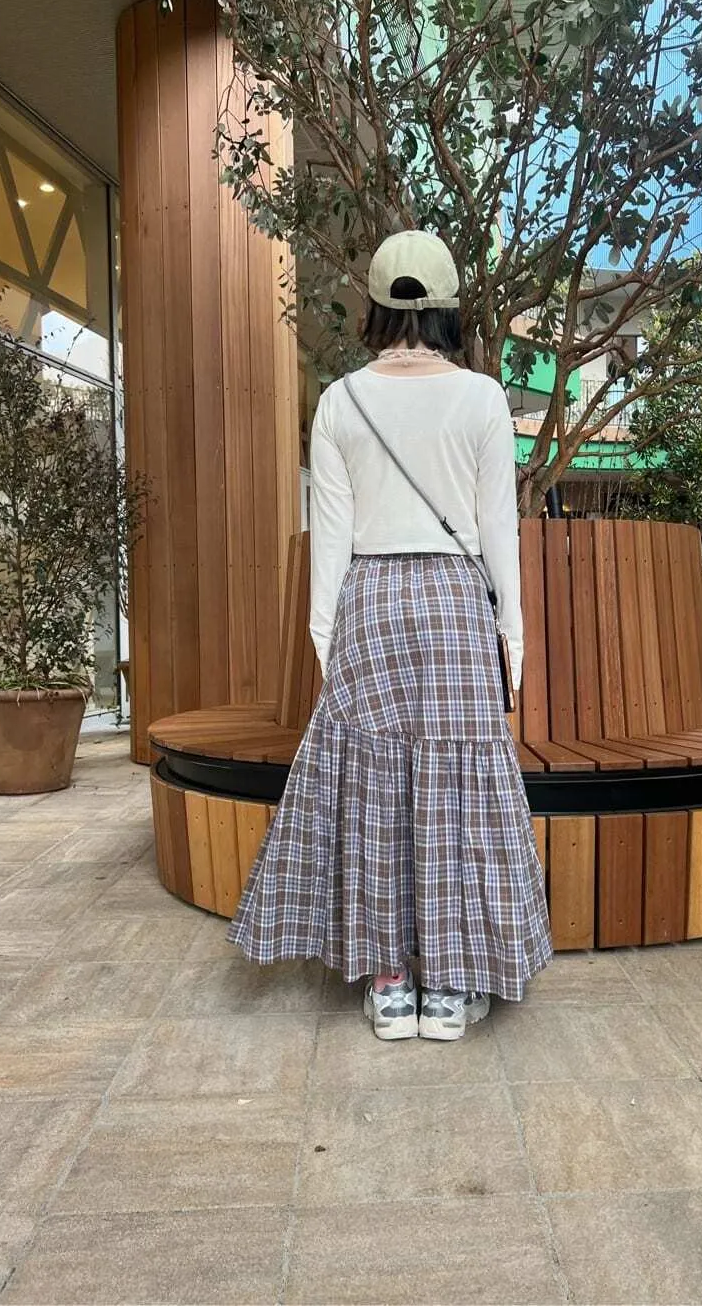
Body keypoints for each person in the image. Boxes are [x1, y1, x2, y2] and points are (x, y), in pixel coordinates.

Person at [227, 230, 552, 1041]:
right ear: (448, 306)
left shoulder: (342, 401)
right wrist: (511, 641)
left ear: (375, 304)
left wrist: (326, 642)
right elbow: (498, 532)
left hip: (369, 599)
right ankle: (450, 986)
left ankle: (390, 982)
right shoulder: (482, 398)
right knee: (458, 791)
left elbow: (329, 541)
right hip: (454, 602)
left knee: (373, 789)